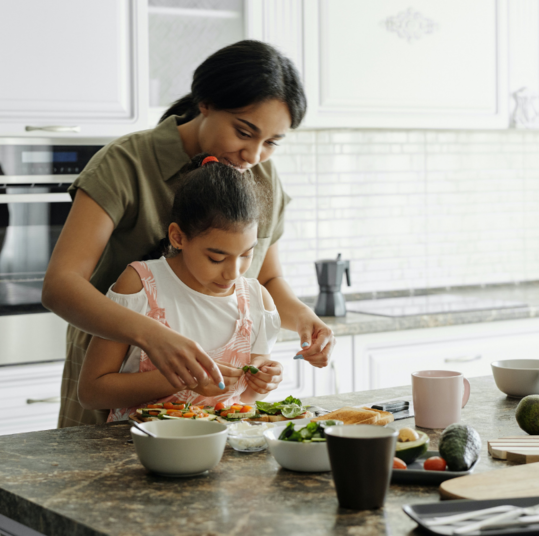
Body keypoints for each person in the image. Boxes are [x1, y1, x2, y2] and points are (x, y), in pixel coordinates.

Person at [42, 40, 337, 427]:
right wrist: (153, 336)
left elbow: (265, 278)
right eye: (244, 132)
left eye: (271, 143)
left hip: (211, 412)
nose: (254, 155)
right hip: (116, 377)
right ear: (206, 103)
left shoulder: (261, 175)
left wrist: (303, 319)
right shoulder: (126, 163)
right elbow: (60, 285)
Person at [78, 155, 281, 420]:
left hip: (222, 452)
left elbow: (245, 400)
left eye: (246, 254)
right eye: (216, 258)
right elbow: (91, 392)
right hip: (138, 451)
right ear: (178, 237)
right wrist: (182, 379)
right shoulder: (140, 286)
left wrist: (262, 383)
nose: (233, 272)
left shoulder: (257, 301)